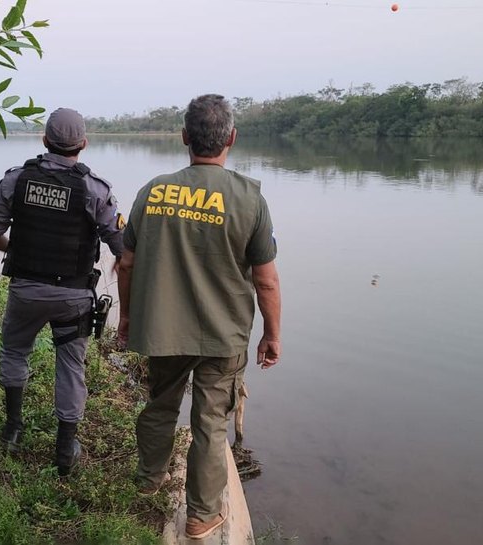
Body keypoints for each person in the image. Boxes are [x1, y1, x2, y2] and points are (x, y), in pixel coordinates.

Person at [117, 94, 282, 540]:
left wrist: (128, 318)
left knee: (160, 404)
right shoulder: (249, 197)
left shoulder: (152, 190)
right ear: (231, 138)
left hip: (161, 326)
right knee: (210, 421)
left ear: (185, 137)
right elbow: (266, 281)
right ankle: (202, 514)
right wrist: (272, 334)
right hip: (223, 333)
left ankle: (149, 480)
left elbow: (127, 263)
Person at [0, 107, 125, 477]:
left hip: (25, 290)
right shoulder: (96, 189)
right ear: (84, 144)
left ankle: (12, 430)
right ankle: (64, 452)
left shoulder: (16, 179)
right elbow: (122, 246)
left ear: (44, 141)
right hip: (73, 297)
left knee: (14, 352)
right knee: (71, 368)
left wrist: (16, 250)